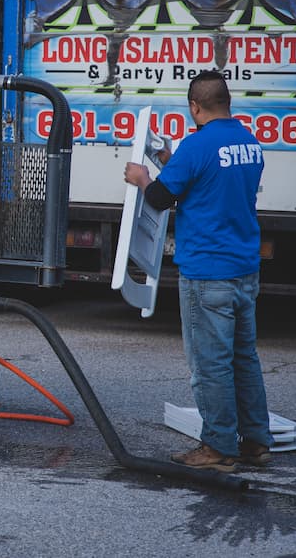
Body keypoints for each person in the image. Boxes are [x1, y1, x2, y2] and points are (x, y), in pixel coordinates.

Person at [123, 70, 272, 472]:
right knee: (244, 359)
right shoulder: (248, 142)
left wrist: (142, 178)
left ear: (195, 106)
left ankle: (218, 447)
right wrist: (174, 165)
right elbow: (210, 184)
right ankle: (256, 442)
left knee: (210, 365)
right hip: (244, 270)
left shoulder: (196, 144)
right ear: (228, 101)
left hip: (207, 273)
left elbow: (158, 197)